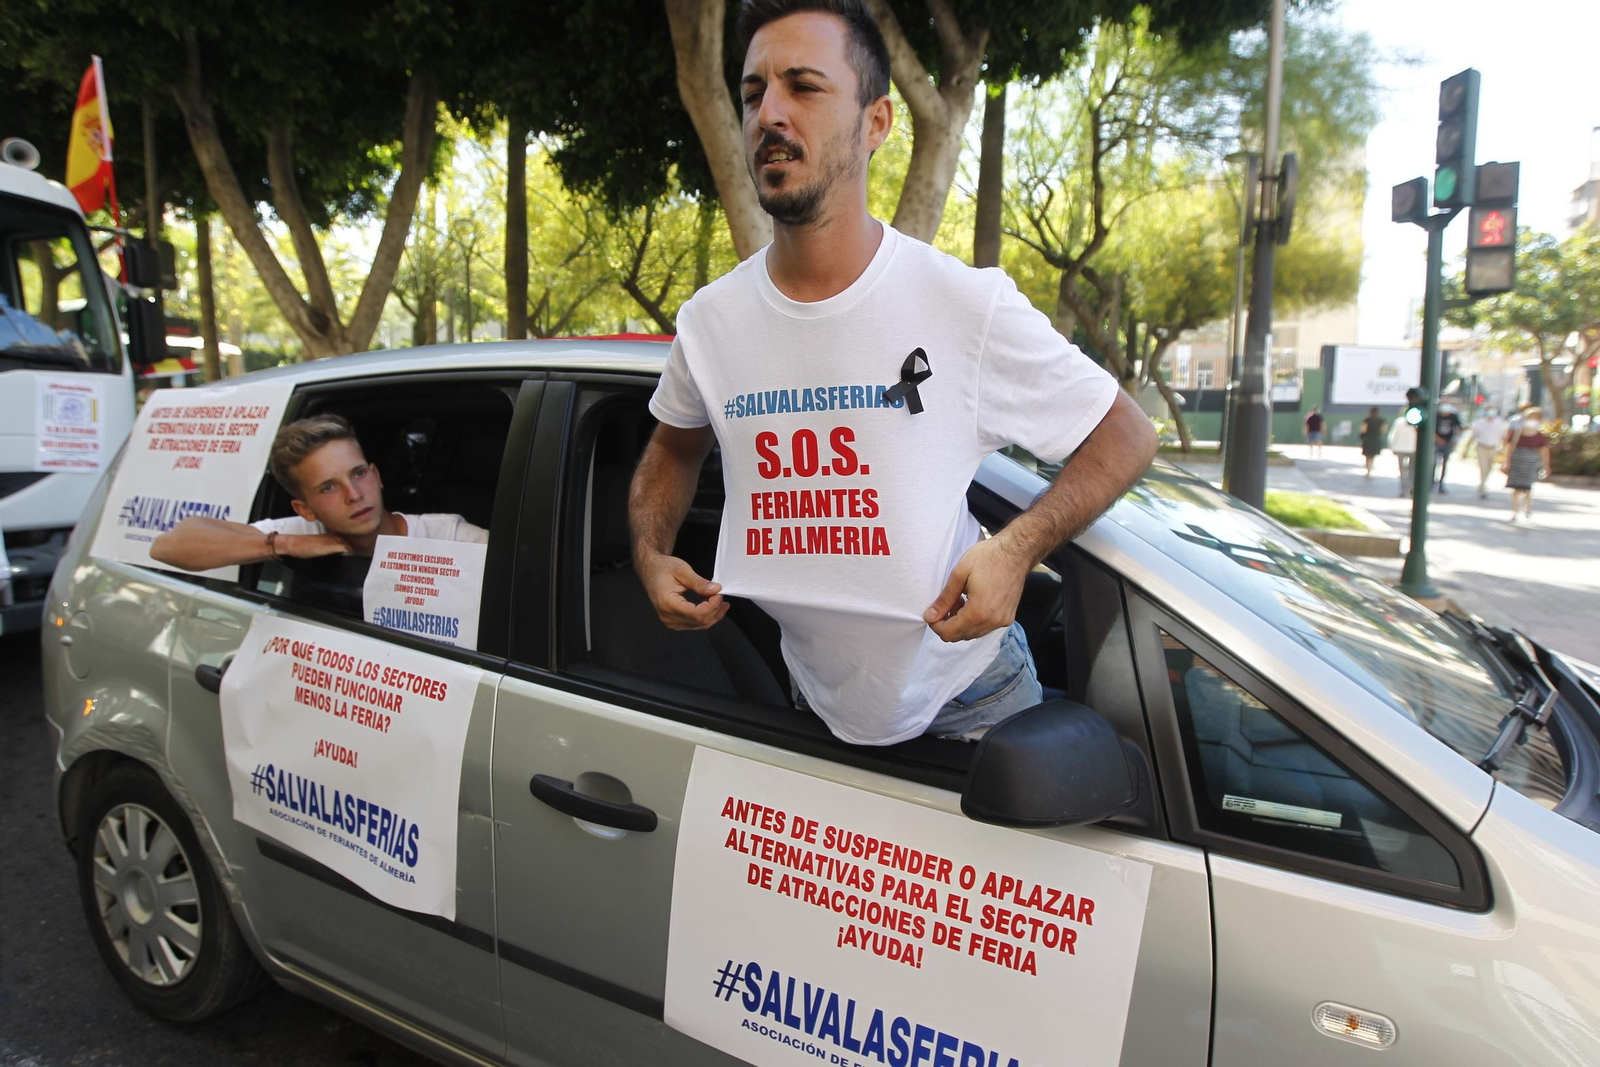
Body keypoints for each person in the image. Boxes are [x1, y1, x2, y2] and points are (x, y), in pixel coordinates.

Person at [630, 0, 1155, 747]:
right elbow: (674, 446)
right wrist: (651, 555)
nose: (768, 114)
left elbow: (1127, 435)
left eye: (803, 87)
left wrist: (1016, 548)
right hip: (809, 700)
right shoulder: (712, 322)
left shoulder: (962, 304)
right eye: (753, 94)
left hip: (972, 700)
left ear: (877, 122)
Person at [151, 414, 487, 571]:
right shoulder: (299, 533)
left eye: (358, 474)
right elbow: (167, 546)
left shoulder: (452, 537)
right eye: (328, 487)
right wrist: (285, 545)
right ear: (305, 509)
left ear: (377, 476)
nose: (354, 494)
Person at [1502, 407, 1553, 523]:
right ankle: (1515, 511)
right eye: (1531, 418)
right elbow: (1509, 447)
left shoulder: (1540, 436)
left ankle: (1527, 509)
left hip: (1531, 463)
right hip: (1517, 462)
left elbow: (1544, 451)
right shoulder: (1517, 433)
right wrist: (1507, 461)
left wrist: (1546, 466)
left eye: (1536, 418)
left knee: (1528, 489)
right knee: (1515, 488)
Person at [1468, 407, 1508, 498]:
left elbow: (1503, 436)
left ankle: (1483, 483)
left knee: (1489, 468)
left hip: (1493, 448)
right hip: (1482, 447)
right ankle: (1483, 487)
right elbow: (1474, 435)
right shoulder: (1479, 422)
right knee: (1483, 467)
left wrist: (1503, 449)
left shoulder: (1499, 423)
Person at [1434, 403, 1463, 492]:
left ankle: (1441, 484)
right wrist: (1438, 439)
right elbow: (1431, 429)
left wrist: (1455, 440)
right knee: (1433, 463)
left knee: (1444, 464)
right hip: (1436, 443)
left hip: (1448, 442)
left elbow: (1459, 429)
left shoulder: (1454, 417)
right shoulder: (1436, 416)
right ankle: (1430, 482)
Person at [1388, 414, 1417, 497]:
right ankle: (1411, 487)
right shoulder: (1416, 422)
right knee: (1412, 470)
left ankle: (1404, 490)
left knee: (1402, 470)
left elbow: (1393, 435)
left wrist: (1392, 446)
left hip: (1401, 448)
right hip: (1413, 448)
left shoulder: (1399, 421)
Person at [1360, 406, 1386, 478]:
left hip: (1368, 439)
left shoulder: (1367, 420)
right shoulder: (1381, 420)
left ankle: (1368, 470)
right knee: (1373, 456)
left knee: (1367, 456)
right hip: (1376, 439)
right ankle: (1370, 470)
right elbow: (1384, 429)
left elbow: (1363, 429)